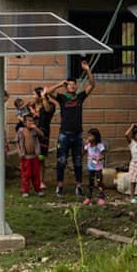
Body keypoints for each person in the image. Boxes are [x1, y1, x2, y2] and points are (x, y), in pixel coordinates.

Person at [47, 60, 96, 197]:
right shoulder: (62, 98)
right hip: (64, 134)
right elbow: (48, 93)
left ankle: (79, 186)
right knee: (61, 161)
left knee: (78, 161)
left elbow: (92, 85)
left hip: (77, 134)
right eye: (70, 85)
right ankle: (60, 186)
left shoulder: (80, 97)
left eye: (74, 85)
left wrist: (87, 70)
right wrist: (60, 84)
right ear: (66, 87)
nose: (73, 86)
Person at [33, 87, 57, 190]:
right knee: (32, 158)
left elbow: (47, 110)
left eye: (34, 94)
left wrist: (43, 98)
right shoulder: (33, 106)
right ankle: (33, 180)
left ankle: (41, 181)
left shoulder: (50, 105)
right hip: (32, 134)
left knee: (41, 158)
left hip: (43, 133)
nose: (33, 97)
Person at [15, 113, 45, 197]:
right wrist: (19, 152)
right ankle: (25, 190)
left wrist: (36, 128)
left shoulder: (35, 131)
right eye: (29, 121)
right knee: (26, 174)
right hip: (26, 156)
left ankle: (37, 189)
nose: (32, 123)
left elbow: (42, 135)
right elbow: (17, 142)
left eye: (33, 121)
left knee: (36, 174)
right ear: (24, 123)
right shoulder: (21, 131)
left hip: (34, 156)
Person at [82, 128, 107, 206]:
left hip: (98, 168)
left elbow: (103, 154)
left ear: (96, 137)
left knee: (99, 182)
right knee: (90, 183)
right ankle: (89, 198)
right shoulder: (88, 146)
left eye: (90, 136)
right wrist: (83, 145)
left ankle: (101, 198)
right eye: (88, 136)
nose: (88, 137)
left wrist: (100, 158)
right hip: (90, 168)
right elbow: (83, 153)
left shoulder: (100, 145)